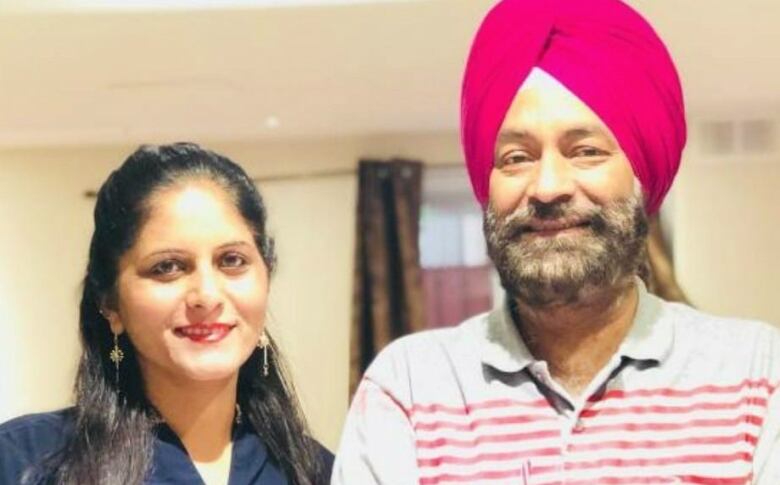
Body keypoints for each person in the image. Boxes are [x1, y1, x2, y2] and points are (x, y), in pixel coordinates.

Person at [332, 1, 780, 484]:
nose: (547, 187)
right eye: (516, 157)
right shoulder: (410, 388)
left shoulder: (755, 376)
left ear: (642, 175)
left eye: (585, 151)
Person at [0, 143, 333, 484]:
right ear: (110, 304)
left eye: (232, 260)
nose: (206, 295)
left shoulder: (318, 472)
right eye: (167, 267)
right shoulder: (26, 461)